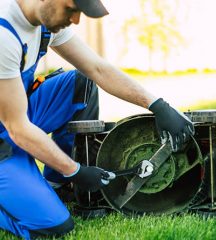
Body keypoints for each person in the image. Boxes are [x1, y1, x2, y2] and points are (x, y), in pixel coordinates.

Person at [0, 0, 194, 239]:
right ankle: (53, 179)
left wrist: (157, 105)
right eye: (72, 9)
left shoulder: (44, 23)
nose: (76, 20)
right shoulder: (3, 34)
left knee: (81, 83)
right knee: (52, 227)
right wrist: (75, 170)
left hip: (15, 111)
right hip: (7, 137)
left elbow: (96, 68)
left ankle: (58, 185)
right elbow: (18, 129)